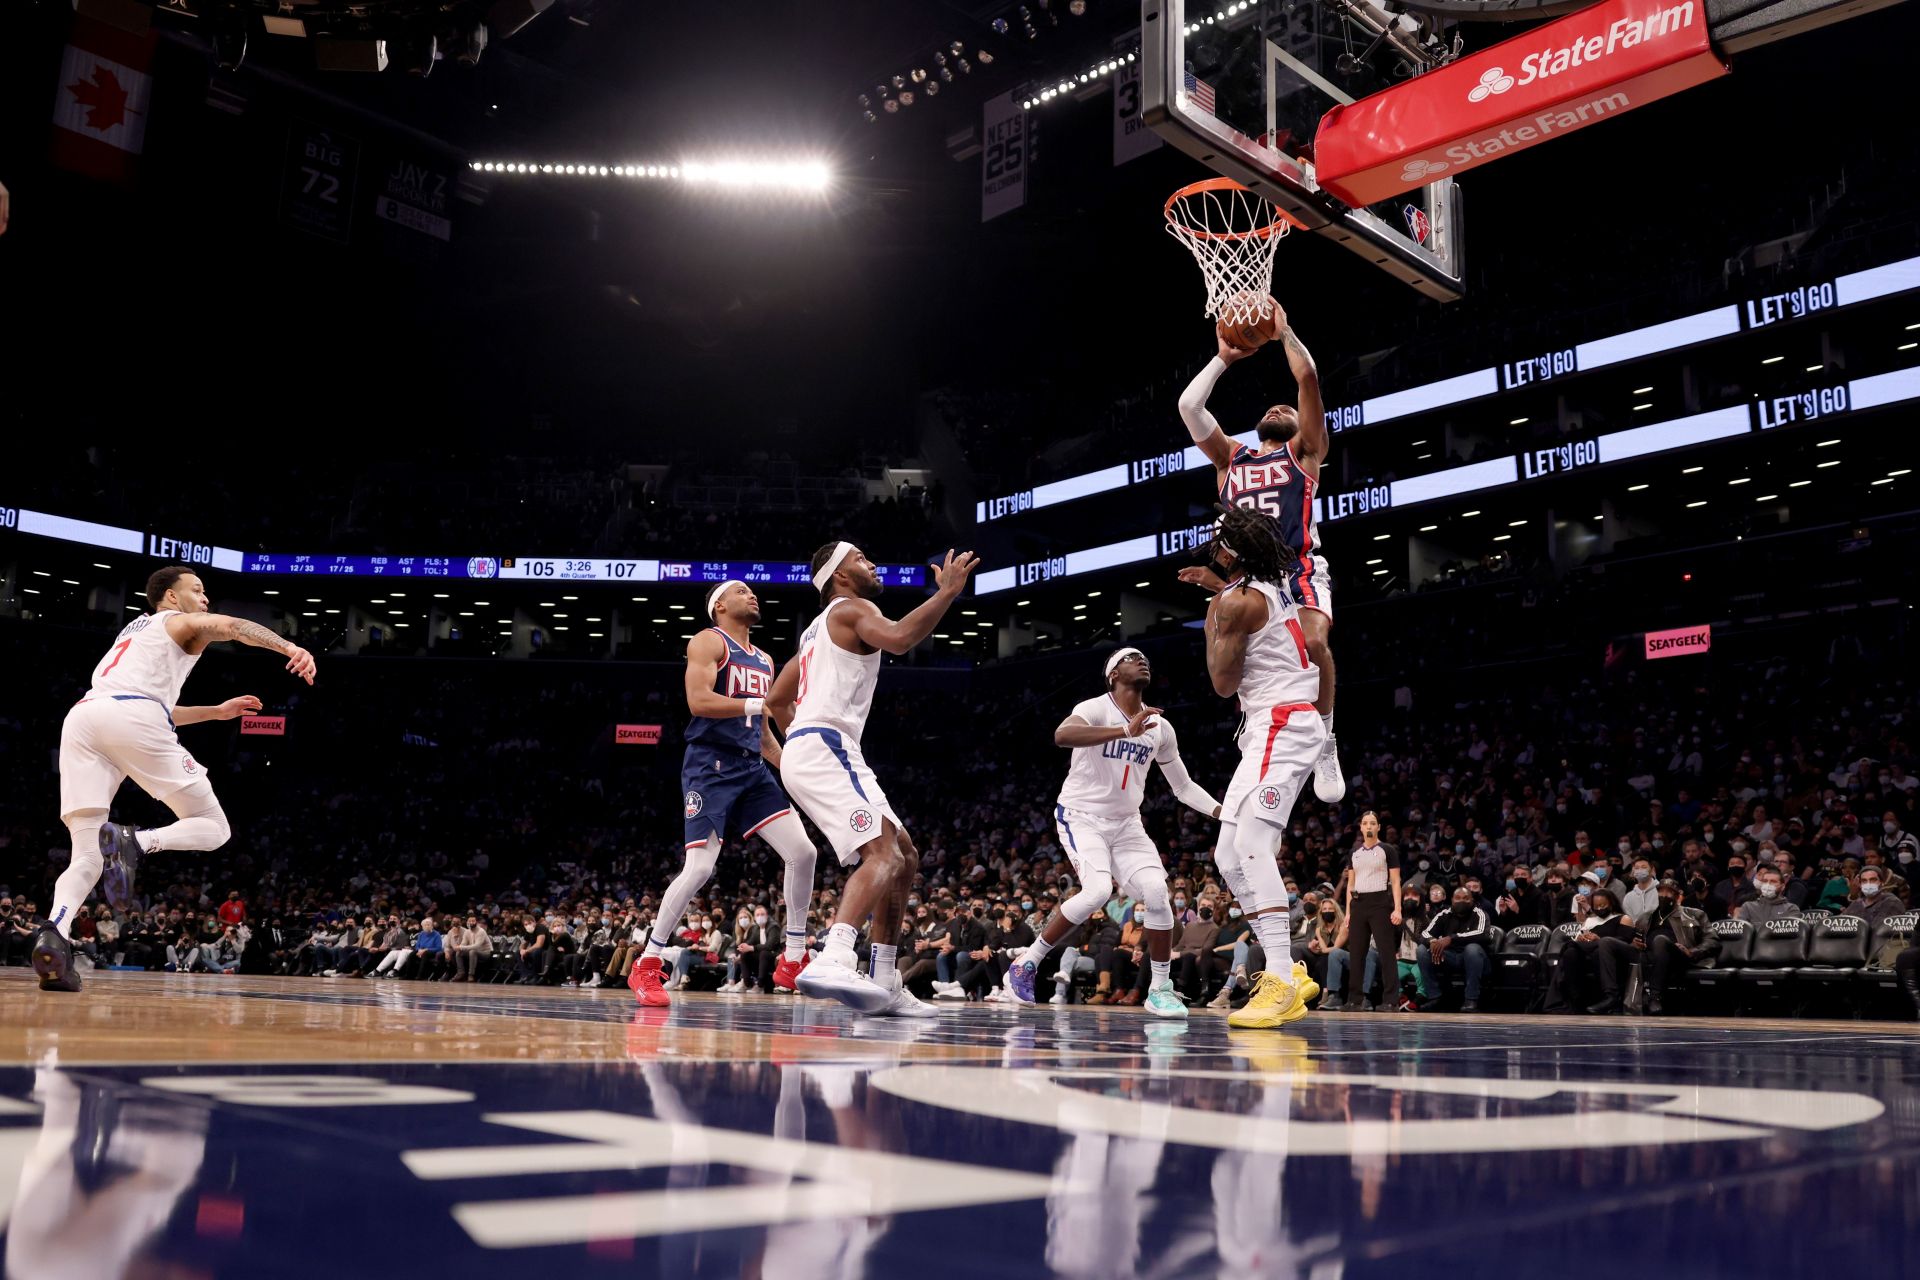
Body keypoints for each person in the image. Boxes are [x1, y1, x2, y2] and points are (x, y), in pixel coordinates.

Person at [36, 566, 317, 993]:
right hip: (128, 717)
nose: (205, 599)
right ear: (170, 597)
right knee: (215, 827)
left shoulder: (135, 632)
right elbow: (232, 626)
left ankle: (55, 931)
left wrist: (216, 712)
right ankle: (137, 842)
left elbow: (149, 706)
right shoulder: (177, 620)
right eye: (198, 591)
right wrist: (289, 646)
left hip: (84, 718)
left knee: (87, 853)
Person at [768, 542, 977, 1016]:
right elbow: (901, 638)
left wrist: (795, 753)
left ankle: (884, 980)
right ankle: (835, 954)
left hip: (815, 747)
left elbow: (779, 702)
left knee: (905, 855)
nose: (873, 563)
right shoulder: (853, 609)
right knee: (882, 852)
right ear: (838, 576)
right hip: (825, 745)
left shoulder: (814, 633)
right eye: (861, 559)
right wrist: (946, 593)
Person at [629, 580, 823, 1008]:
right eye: (740, 591)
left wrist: (803, 770)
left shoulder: (766, 659)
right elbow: (698, 700)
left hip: (751, 766)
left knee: (803, 852)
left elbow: (766, 738)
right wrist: (759, 704)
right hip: (709, 764)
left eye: (753, 591)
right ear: (719, 605)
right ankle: (647, 963)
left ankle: (793, 959)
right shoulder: (707, 640)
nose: (752, 594)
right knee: (700, 867)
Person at [1176, 308, 1342, 803]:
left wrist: (1284, 331)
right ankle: (1260, 733)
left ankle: (1327, 739)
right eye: (1272, 407)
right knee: (1241, 670)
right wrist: (1223, 359)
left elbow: (1307, 376)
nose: (1277, 406)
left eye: (1285, 408)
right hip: (1250, 581)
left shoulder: (1304, 452)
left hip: (1299, 568)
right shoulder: (1232, 458)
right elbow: (1189, 406)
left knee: (1313, 647)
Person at [1001, 647, 1221, 1020]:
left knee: (1156, 893)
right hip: (1082, 815)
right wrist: (1123, 730)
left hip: (1126, 823)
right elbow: (1062, 734)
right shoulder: (1094, 707)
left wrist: (1223, 813)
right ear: (1113, 675)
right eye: (1130, 658)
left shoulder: (1161, 728)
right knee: (1099, 889)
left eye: (1145, 658)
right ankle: (1027, 962)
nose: (1142, 660)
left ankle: (1160, 989)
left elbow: (1182, 787)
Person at [1198, 505, 1327, 1030]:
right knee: (1228, 853)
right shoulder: (1263, 590)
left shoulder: (1237, 602)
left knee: (1251, 843)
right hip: (1271, 726)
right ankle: (1287, 970)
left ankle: (1278, 977)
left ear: (1229, 550)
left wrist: (1212, 611)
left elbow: (1221, 683)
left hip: (1282, 723)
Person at [1329, 811, 1401, 1012]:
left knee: (1386, 952)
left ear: (1378, 827)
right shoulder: (1355, 853)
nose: (1369, 826)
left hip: (1380, 902)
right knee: (1356, 953)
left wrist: (1397, 908)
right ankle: (1355, 999)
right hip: (1359, 904)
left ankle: (1390, 1000)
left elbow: (1395, 881)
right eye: (1365, 823)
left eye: (1372, 823)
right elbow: (1351, 884)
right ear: (1361, 827)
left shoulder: (1388, 850)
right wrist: (1349, 913)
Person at [1636, 878, 1715, 1015]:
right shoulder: (1646, 917)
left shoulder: (1694, 914)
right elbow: (1636, 938)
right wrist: (1634, 943)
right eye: (1661, 891)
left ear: (1678, 896)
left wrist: (1691, 951)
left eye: (1669, 892)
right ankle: (1612, 997)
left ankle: (1655, 997)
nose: (1664, 896)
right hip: (1648, 954)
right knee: (1608, 943)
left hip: (1679, 956)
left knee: (1660, 940)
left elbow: (1712, 940)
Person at [1416, 886, 1493, 1012]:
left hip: (1474, 959)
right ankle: (1434, 997)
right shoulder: (1444, 914)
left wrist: (1452, 938)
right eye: (1457, 898)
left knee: (1472, 949)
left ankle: (1471, 999)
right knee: (1421, 950)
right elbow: (1425, 934)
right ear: (1452, 900)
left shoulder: (1480, 914)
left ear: (1472, 900)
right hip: (1449, 957)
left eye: (1465, 898)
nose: (1461, 901)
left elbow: (1482, 934)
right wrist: (1432, 941)